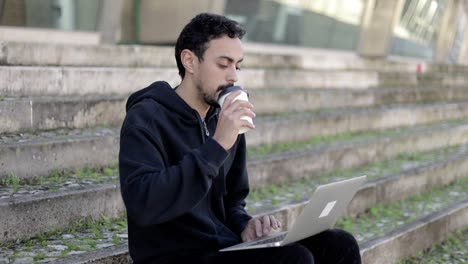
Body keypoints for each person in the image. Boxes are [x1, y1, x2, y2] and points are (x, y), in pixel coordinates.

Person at [119, 13, 361, 264]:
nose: (233, 76)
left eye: (238, 65)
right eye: (223, 65)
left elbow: (232, 202)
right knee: (293, 259)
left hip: (222, 248)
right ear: (189, 61)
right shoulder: (147, 118)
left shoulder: (223, 117)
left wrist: (245, 225)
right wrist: (216, 146)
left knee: (339, 245)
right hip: (175, 255)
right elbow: (144, 204)